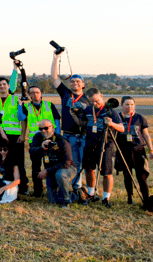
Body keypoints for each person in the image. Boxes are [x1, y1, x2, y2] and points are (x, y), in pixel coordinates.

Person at [51, 52, 88, 197]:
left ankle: (86, 189)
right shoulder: (65, 93)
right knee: (72, 162)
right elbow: (54, 78)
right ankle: (75, 187)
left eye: (78, 81)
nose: (75, 83)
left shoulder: (87, 98)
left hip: (83, 135)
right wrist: (55, 59)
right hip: (68, 135)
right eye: (72, 81)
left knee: (85, 163)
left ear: (83, 84)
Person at [80, 88, 124, 207]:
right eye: (91, 102)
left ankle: (106, 198)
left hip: (106, 145)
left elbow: (122, 128)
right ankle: (91, 194)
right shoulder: (88, 110)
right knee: (89, 170)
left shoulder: (110, 111)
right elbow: (83, 123)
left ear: (101, 95)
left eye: (97, 101)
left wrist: (111, 124)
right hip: (89, 144)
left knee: (106, 173)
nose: (95, 104)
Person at [21, 85, 61, 197]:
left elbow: (57, 120)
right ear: (29, 95)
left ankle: (53, 189)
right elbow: (20, 118)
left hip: (50, 139)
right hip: (35, 141)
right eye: (32, 93)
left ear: (41, 93)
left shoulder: (49, 105)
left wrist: (56, 136)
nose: (35, 94)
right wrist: (20, 105)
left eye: (37, 92)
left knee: (51, 164)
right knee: (35, 167)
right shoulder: (26, 106)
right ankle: (38, 191)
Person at [115, 96, 153, 207]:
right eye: (127, 104)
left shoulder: (140, 118)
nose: (129, 107)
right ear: (122, 105)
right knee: (127, 175)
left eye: (132, 104)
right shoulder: (117, 117)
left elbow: (146, 134)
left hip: (138, 150)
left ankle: (146, 200)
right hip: (124, 151)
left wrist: (151, 150)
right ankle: (130, 197)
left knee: (141, 176)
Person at [28, 120, 75, 207]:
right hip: (51, 171)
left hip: (67, 168)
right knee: (52, 201)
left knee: (60, 174)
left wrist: (46, 171)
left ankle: (65, 201)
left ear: (52, 127)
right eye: (40, 129)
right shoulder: (38, 137)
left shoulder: (61, 140)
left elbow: (66, 163)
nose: (43, 131)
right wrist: (41, 148)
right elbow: (31, 150)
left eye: (46, 128)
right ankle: (75, 195)